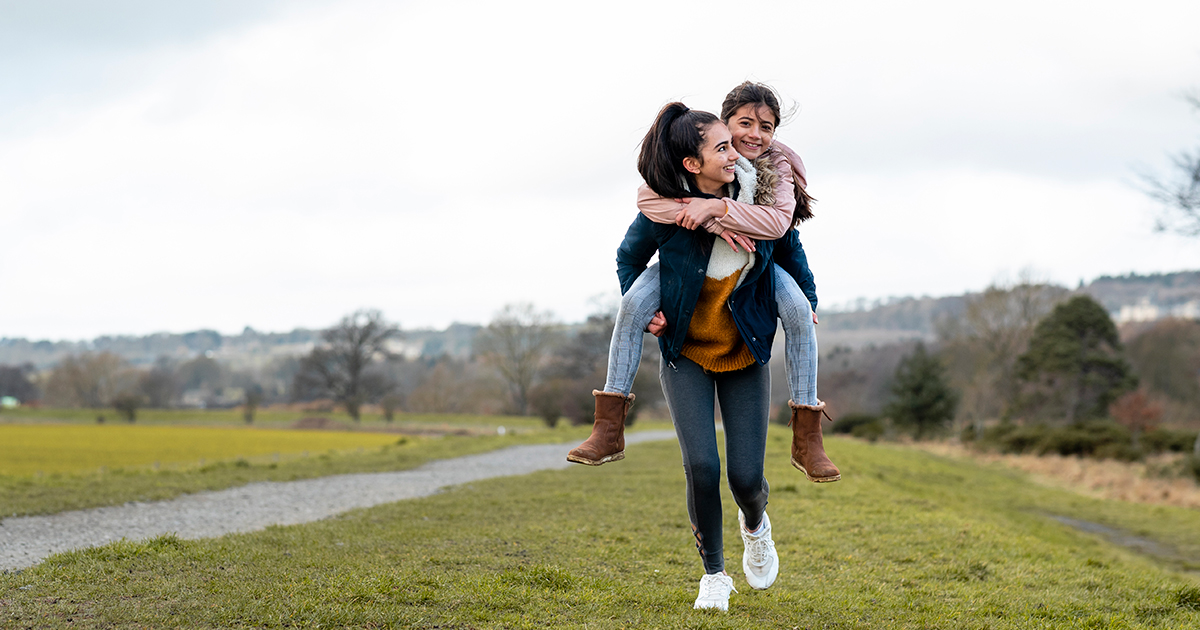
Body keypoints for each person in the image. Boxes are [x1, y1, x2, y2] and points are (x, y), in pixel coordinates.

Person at [568, 82, 839, 484]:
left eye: (766, 127)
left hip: (754, 275)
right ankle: (608, 428)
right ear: (724, 125)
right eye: (744, 124)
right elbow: (645, 206)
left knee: (799, 310)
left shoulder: (769, 177)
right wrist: (651, 311)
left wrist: (717, 210)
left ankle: (808, 437)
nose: (754, 135)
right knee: (629, 307)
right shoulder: (690, 171)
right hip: (682, 283)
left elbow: (787, 238)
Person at [609, 101, 812, 611]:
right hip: (685, 354)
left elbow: (791, 250)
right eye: (726, 141)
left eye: (763, 129)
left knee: (745, 478)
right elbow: (628, 257)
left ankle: (755, 524)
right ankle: (714, 576)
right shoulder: (667, 209)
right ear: (694, 162)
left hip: (745, 352)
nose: (741, 146)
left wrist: (808, 301)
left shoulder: (759, 198)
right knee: (701, 465)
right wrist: (646, 305)